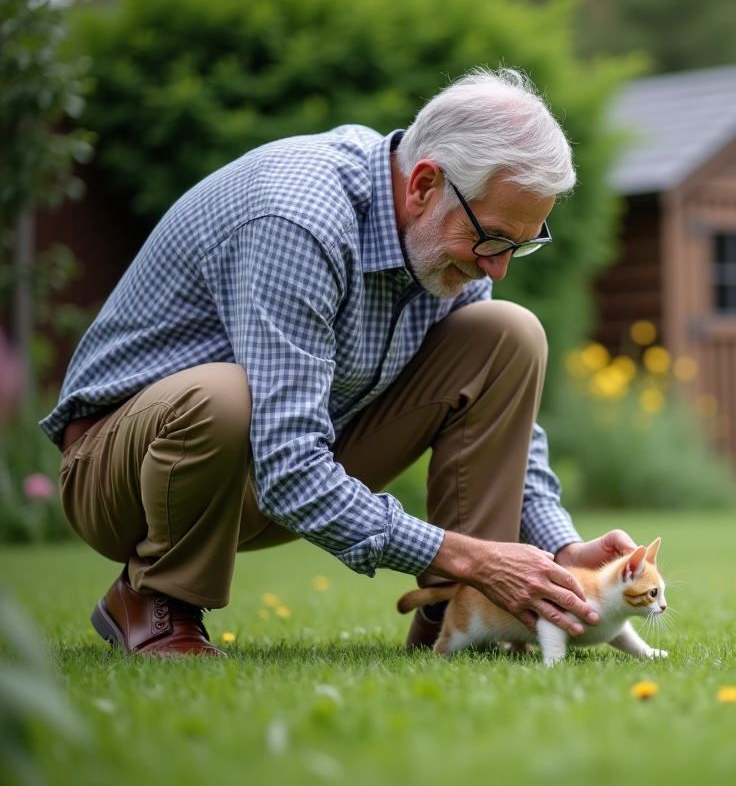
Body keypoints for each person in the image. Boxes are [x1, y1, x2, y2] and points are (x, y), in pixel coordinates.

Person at [41, 68, 636, 657]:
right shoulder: (300, 219)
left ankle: (457, 617)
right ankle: (152, 600)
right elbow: (289, 466)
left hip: (261, 474)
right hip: (125, 477)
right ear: (425, 183)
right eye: (493, 239)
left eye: (520, 245)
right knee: (225, 395)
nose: (498, 267)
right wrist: (471, 554)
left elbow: (506, 425)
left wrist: (560, 551)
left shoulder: (442, 245)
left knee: (510, 332)